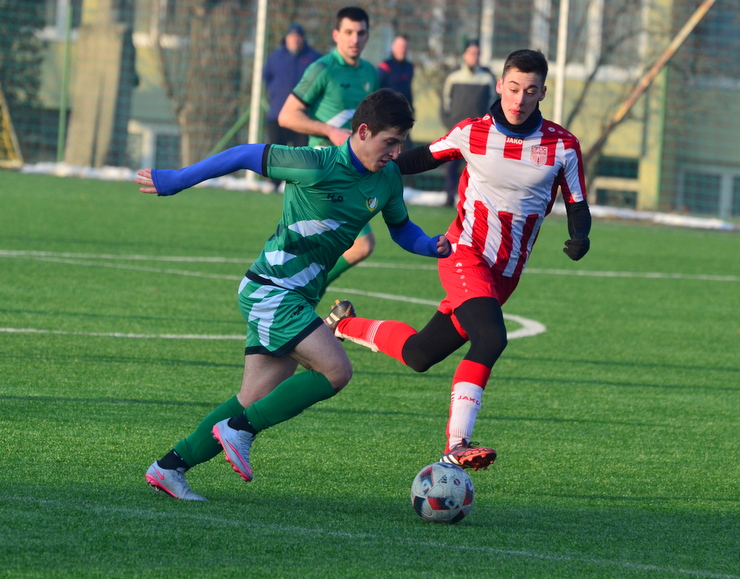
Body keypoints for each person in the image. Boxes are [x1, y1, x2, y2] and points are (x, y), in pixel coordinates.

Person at [139, 89, 451, 501]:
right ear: (362, 131)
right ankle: (240, 431)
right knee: (336, 371)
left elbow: (402, 228)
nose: (396, 153)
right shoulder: (316, 164)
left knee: (253, 397)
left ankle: (169, 467)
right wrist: (177, 180)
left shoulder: (388, 178)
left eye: (400, 143)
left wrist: (428, 244)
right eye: (389, 142)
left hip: (297, 296)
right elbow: (243, 154)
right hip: (271, 288)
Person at [330, 50, 591, 471]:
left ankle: (341, 324)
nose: (519, 99)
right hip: (464, 255)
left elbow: (577, 203)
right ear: (500, 86)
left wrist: (580, 236)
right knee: (491, 339)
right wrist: (365, 167)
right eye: (513, 88)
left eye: (530, 91)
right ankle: (457, 444)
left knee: (420, 354)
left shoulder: (563, 146)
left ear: (543, 92)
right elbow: (419, 158)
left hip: (505, 275)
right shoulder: (472, 132)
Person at [278, 7, 379, 292]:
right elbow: (287, 116)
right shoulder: (322, 69)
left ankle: (302, 291)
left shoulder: (370, 73)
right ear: (336, 35)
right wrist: (329, 130)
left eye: (360, 33)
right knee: (359, 244)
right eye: (348, 32)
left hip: (352, 173)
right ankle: (303, 291)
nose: (354, 39)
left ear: (367, 36)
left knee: (346, 246)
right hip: (322, 169)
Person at [440, 40, 496, 207]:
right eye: (471, 53)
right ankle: (449, 196)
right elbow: (445, 103)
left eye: (477, 53)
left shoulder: (487, 78)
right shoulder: (453, 77)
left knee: (477, 169)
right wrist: (449, 123)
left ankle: (475, 201)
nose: (474, 57)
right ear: (464, 55)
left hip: (479, 133)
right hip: (457, 130)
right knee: (452, 166)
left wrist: (487, 126)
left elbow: (493, 104)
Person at [262, 24, 321, 149]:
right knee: (276, 154)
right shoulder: (274, 58)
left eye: (298, 36)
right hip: (277, 116)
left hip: (304, 117)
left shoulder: (314, 58)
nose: (295, 39)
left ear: (303, 39)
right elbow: (266, 78)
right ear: (286, 38)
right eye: (292, 36)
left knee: (302, 155)